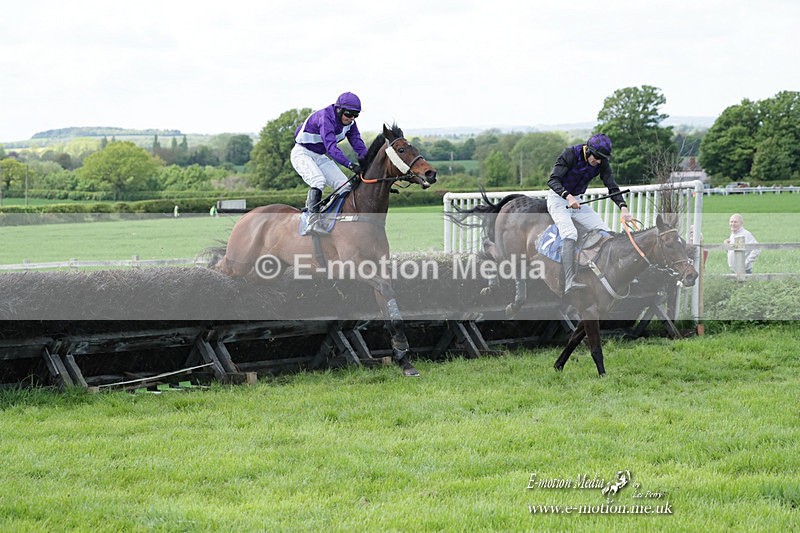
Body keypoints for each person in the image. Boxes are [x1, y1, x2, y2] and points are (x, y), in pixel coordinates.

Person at [546, 133, 632, 294]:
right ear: (588, 151)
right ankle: (569, 281)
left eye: (601, 159)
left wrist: (623, 208)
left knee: (604, 231)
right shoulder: (570, 154)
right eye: (597, 158)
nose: (598, 162)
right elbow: (552, 180)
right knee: (570, 233)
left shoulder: (602, 161)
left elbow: (611, 186)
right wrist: (568, 196)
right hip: (558, 199)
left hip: (577, 201)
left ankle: (610, 272)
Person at [291, 92, 368, 234]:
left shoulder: (350, 123)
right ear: (339, 110)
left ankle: (333, 219)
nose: (351, 119)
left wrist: (369, 161)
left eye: (355, 115)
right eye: (349, 114)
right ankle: (312, 222)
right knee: (318, 181)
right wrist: (350, 165)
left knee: (344, 186)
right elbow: (331, 148)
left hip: (319, 156)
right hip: (302, 153)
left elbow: (358, 143)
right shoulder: (325, 117)